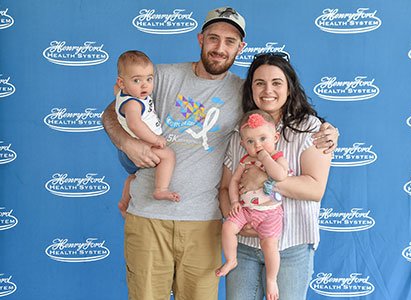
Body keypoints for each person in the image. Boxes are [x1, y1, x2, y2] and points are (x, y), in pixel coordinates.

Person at [101, 6, 339, 300]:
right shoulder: (161, 77)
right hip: (149, 216)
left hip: (205, 224)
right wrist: (127, 143)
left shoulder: (244, 95)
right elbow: (112, 112)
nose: (219, 48)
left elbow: (282, 112)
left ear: (241, 47)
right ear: (200, 39)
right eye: (213, 38)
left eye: (229, 41)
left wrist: (329, 129)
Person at [219, 53, 332, 300]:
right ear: (250, 89)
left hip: (291, 246)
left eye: (276, 82)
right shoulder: (242, 130)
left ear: (289, 88)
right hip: (245, 248)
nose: (268, 89)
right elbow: (226, 187)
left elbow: (314, 188)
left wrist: (265, 180)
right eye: (259, 82)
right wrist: (236, 219)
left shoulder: (311, 128)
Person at [217, 110, 288, 300]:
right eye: (250, 142)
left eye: (263, 139)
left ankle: (271, 279)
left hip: (270, 212)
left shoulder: (277, 157)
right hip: (246, 210)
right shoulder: (245, 160)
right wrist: (234, 202)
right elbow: (233, 182)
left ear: (275, 137)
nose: (257, 145)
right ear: (242, 144)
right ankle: (231, 259)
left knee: (269, 245)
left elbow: (280, 175)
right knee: (228, 226)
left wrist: (265, 158)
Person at [115, 50, 179, 207]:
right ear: (122, 83)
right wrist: (155, 139)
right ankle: (161, 189)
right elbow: (135, 125)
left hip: (130, 151)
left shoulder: (125, 94)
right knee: (168, 155)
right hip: (140, 145)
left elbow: (115, 90)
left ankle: (124, 201)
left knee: (134, 176)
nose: (145, 85)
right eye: (136, 80)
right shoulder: (132, 104)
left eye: (149, 79)